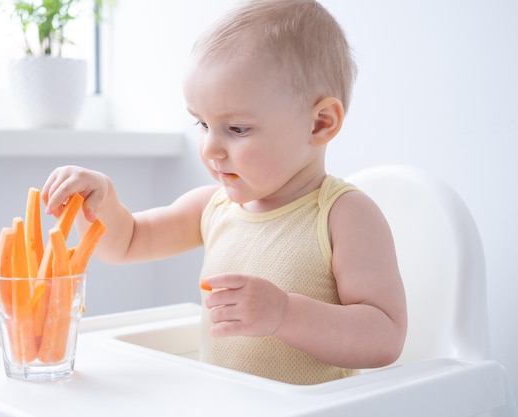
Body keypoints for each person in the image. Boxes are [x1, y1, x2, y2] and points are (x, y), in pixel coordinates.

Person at [41, 0, 407, 385]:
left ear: (320, 123)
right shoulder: (211, 207)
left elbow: (385, 336)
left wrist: (284, 313)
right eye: (202, 123)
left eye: (237, 129)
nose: (210, 149)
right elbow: (127, 241)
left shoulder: (343, 216)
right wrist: (103, 201)